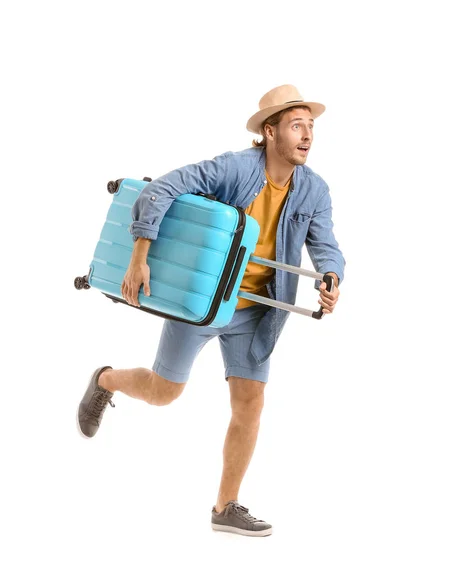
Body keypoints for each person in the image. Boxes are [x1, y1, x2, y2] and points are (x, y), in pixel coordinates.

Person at [77, 84, 346, 537]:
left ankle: (226, 507)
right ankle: (105, 379)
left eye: (311, 126)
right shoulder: (234, 168)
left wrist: (332, 278)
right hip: (203, 302)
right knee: (165, 392)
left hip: (259, 312)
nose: (307, 136)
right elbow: (163, 187)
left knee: (250, 403)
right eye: (297, 125)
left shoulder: (314, 190)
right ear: (270, 130)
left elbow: (327, 247)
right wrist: (139, 257)